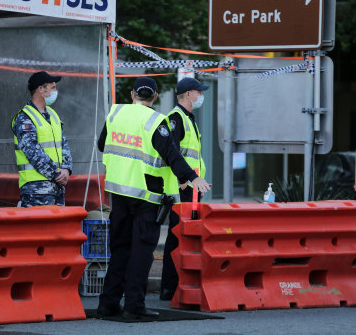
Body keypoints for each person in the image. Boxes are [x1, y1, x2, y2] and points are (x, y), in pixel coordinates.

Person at [96, 77, 211, 319]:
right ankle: (134, 305)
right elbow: (171, 155)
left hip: (118, 192)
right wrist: (192, 177)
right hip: (146, 195)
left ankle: (108, 303)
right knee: (141, 252)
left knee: (119, 249)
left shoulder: (115, 114)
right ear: (155, 97)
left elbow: (101, 145)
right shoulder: (156, 121)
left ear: (132, 95)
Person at [160, 77, 210, 301]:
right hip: (181, 189)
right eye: (199, 92)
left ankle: (175, 285)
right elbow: (173, 153)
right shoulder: (176, 119)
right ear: (188, 94)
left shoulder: (188, 118)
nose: (201, 96)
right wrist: (183, 180)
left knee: (184, 238)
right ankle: (169, 288)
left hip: (191, 189)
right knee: (177, 238)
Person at [11, 71, 72, 206]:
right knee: (40, 227)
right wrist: (57, 175)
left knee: (56, 227)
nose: (56, 91)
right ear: (41, 89)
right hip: (36, 189)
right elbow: (33, 152)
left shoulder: (53, 114)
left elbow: (64, 144)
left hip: (57, 187)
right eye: (53, 87)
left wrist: (67, 169)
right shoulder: (24, 118)